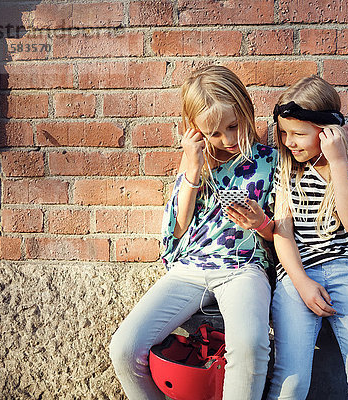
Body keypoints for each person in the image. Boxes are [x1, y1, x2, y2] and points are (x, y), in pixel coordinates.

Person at [109, 65, 278, 400]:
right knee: (124, 349)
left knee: (249, 347)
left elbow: (282, 234)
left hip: (243, 267)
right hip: (191, 269)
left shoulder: (272, 161)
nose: (228, 139)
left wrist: (259, 221)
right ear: (196, 131)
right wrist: (192, 164)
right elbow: (179, 226)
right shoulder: (195, 163)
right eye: (215, 133)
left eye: (233, 126)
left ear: (246, 109)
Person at [267, 75, 348, 400]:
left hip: (346, 273)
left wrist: (337, 161)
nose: (289, 141)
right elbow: (282, 234)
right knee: (290, 385)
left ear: (328, 131)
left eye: (298, 134)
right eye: (284, 132)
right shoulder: (286, 168)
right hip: (296, 277)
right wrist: (303, 283)